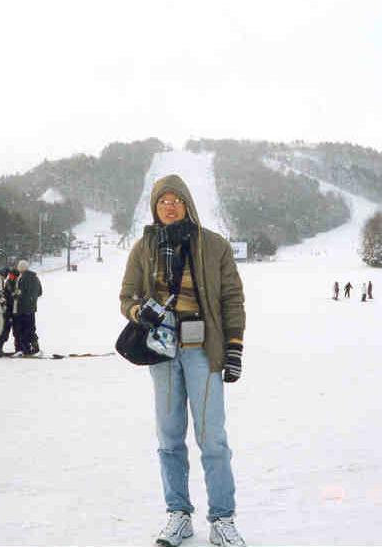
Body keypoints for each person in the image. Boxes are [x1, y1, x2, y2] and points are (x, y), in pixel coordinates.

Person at [120, 174, 247, 546]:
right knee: (169, 437)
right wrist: (139, 311)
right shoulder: (144, 247)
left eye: (176, 200)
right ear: (155, 208)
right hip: (162, 350)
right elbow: (126, 296)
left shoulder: (214, 245)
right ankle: (178, 514)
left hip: (202, 350)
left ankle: (222, 519)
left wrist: (234, 347)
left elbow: (232, 299)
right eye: (163, 201)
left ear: (187, 204)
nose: (169, 206)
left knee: (213, 439)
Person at [12, 260, 43, 356]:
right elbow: (40, 292)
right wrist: (32, 299)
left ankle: (26, 349)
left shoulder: (22, 278)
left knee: (23, 329)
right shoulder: (35, 277)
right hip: (32, 308)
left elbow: (20, 293)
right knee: (31, 328)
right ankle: (35, 348)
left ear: (20, 268)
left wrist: (15, 295)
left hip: (22, 308)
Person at [0, 267, 17, 355]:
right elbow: (5, 296)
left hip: (10, 310)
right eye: (10, 275)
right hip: (7, 310)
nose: (10, 277)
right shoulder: (7, 283)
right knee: (4, 330)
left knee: (8, 331)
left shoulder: (13, 283)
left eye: (12, 276)